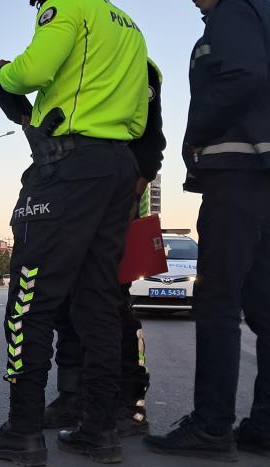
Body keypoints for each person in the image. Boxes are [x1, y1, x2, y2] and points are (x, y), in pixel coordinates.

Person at [0, 0, 149, 466]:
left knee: (29, 301)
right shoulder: (129, 26)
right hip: (117, 167)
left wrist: (3, 73)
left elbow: (33, 71)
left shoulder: (66, 3)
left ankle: (23, 429)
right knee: (98, 303)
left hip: (68, 168)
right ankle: (99, 428)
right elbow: (140, 112)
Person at [144, 0, 270, 462]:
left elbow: (242, 76)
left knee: (217, 301)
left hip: (242, 171)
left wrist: (194, 135)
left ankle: (212, 426)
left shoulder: (234, 10)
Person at [46, 59, 167, 438]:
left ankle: (129, 404)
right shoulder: (69, 59)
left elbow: (151, 140)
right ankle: (73, 396)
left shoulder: (136, 63)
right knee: (66, 304)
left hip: (117, 205)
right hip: (72, 199)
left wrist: (133, 192)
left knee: (111, 306)